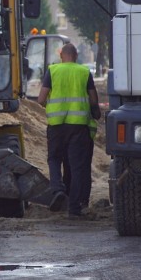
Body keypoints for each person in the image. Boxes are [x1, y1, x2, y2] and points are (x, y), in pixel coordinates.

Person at [37, 43, 101, 219]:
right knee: (77, 167)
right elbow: (94, 100)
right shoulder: (83, 72)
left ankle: (57, 189)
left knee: (54, 158)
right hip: (78, 126)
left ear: (61, 55)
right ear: (76, 56)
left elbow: (41, 99)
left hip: (56, 125)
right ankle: (74, 209)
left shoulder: (53, 70)